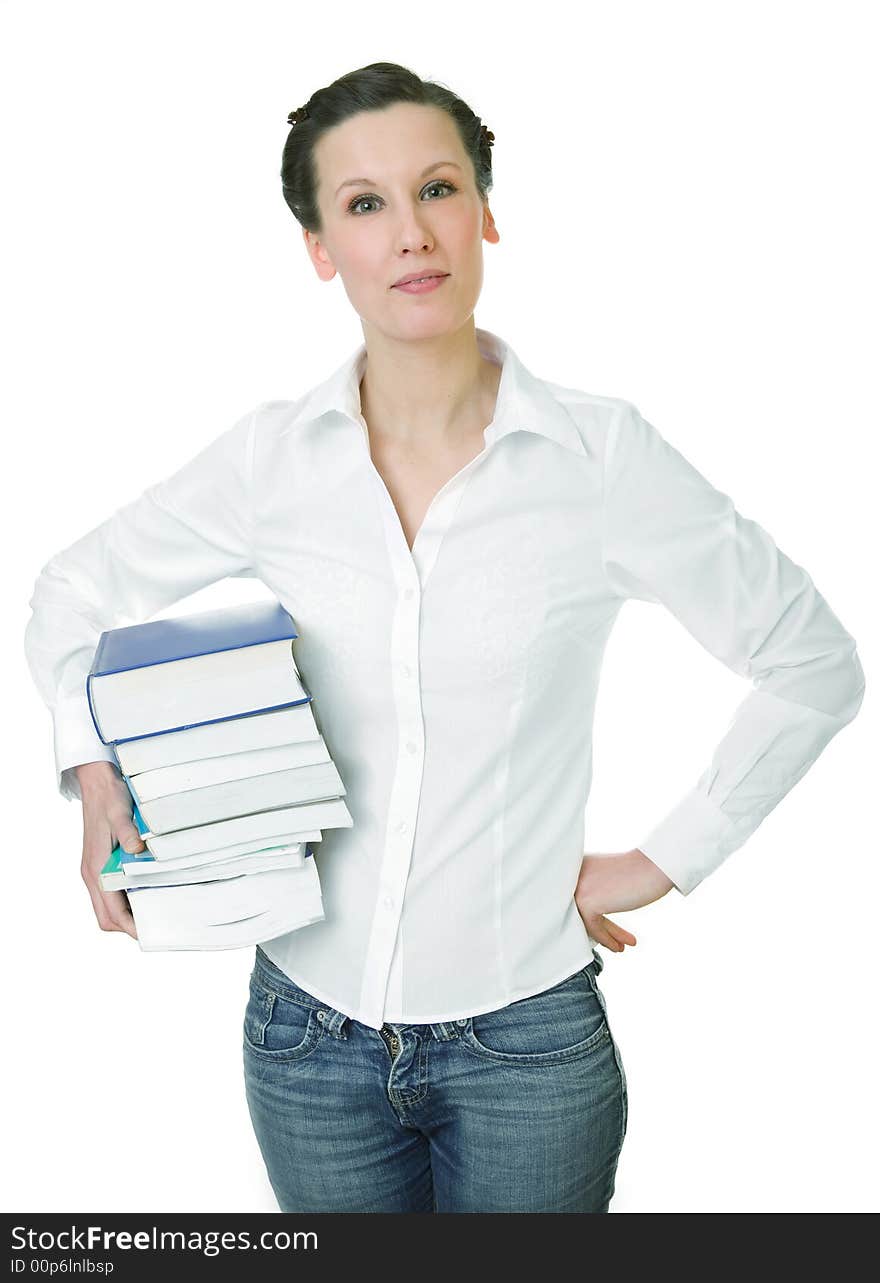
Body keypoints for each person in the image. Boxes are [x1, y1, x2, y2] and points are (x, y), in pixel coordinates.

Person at [23, 61, 865, 1214]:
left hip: (528, 1042)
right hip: (303, 1038)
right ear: (322, 247)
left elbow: (811, 660)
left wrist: (663, 859)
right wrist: (90, 765)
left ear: (485, 213)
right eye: (364, 204)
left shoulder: (598, 458)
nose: (411, 233)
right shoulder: (272, 461)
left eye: (438, 188)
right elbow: (71, 588)